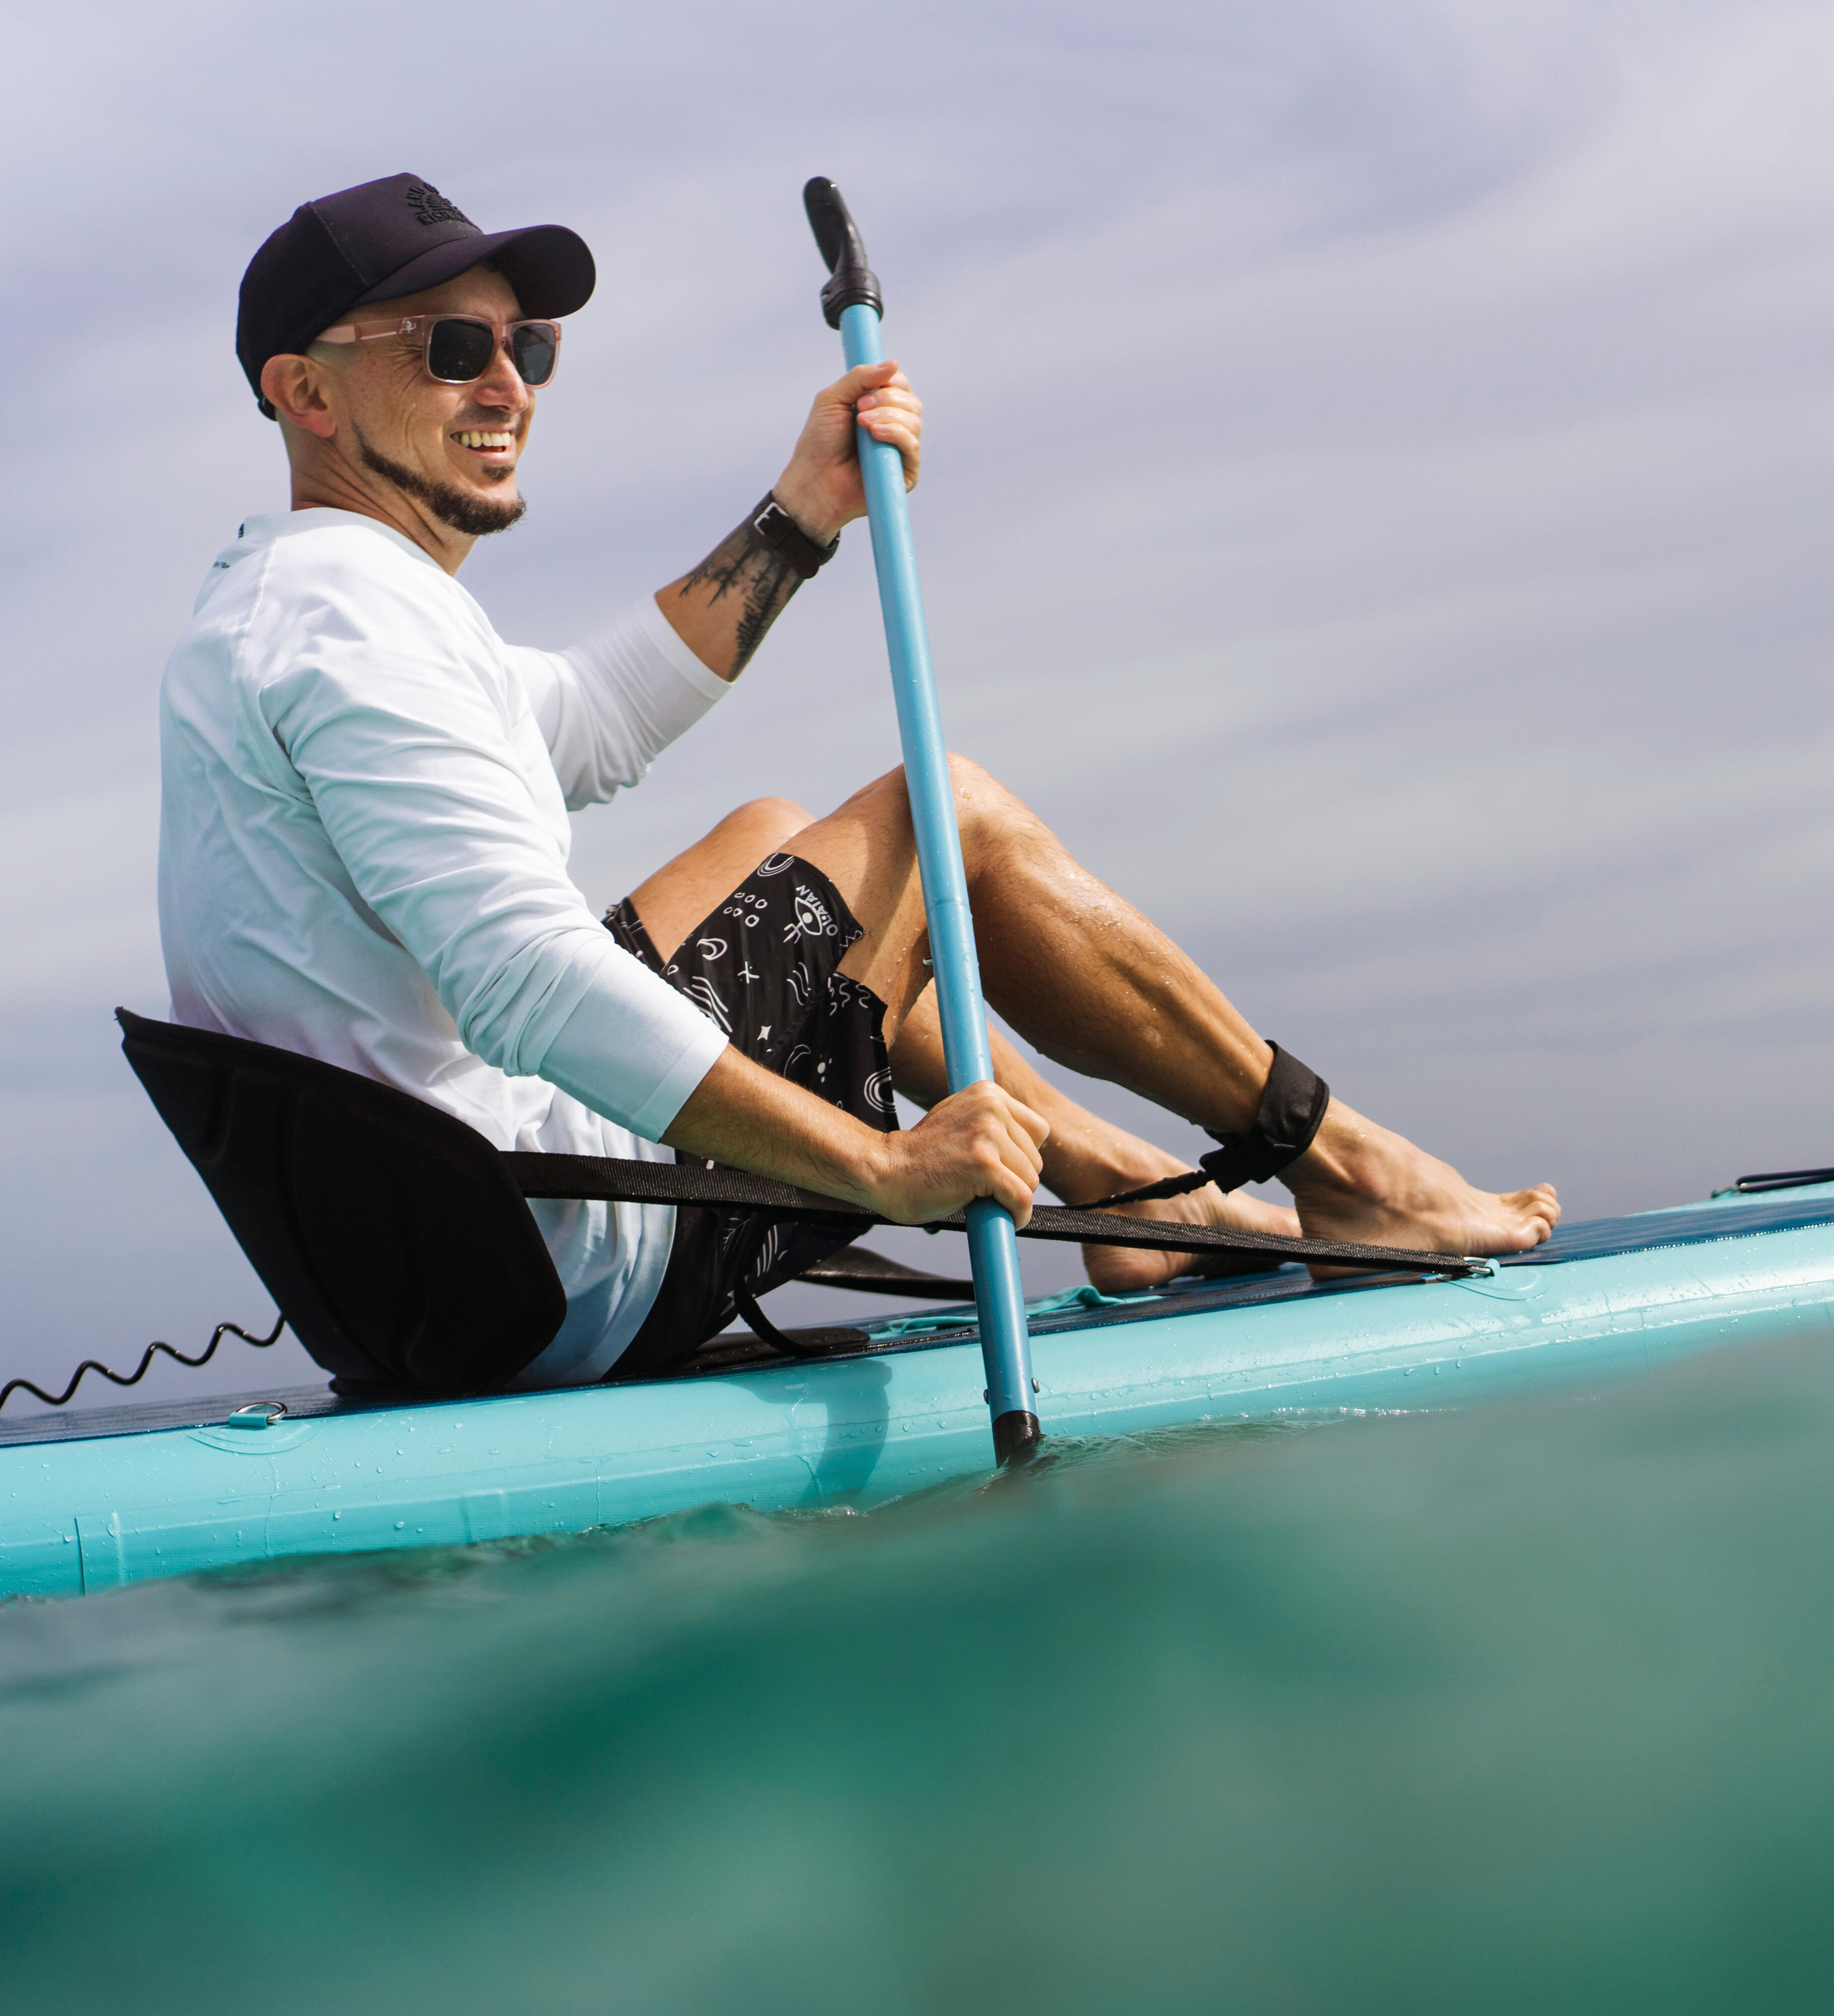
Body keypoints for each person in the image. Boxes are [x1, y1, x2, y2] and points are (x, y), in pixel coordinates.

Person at [160, 172, 1557, 1389]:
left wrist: (803, 514)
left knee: (779, 840)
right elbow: (520, 981)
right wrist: (881, 1172)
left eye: (526, 345)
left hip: (451, 1271)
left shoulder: (312, 602)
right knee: (946, 816)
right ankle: (1350, 1175)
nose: (508, 384)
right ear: (306, 393)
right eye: (451, 347)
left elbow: (588, 720)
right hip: (557, 1264)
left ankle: (1130, 1194)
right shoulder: (349, 625)